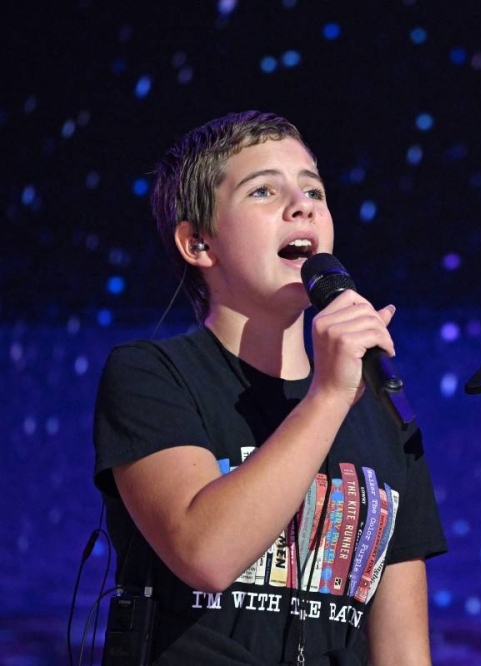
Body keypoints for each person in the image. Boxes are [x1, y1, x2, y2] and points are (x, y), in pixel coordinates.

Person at [93, 111, 447, 665]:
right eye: (263, 190)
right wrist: (327, 397)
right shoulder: (151, 376)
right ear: (198, 243)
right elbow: (205, 553)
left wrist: (339, 392)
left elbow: (402, 650)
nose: (302, 205)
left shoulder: (383, 412)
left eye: (314, 191)